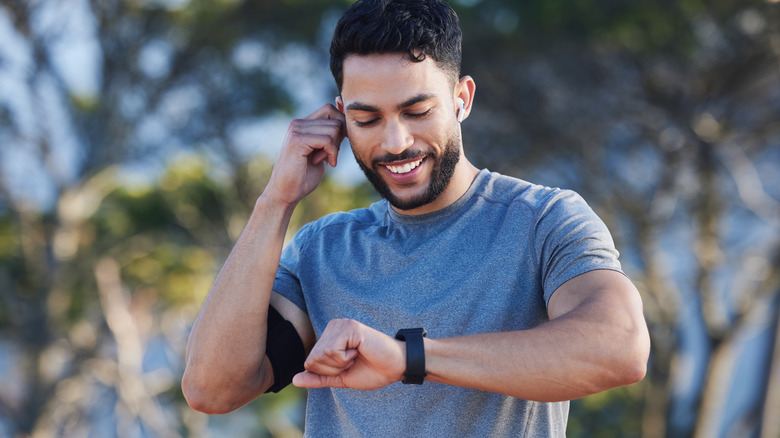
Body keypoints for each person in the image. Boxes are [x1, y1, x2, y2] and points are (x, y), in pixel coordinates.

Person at [181, 0, 651, 436]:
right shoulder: (321, 249)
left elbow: (619, 348)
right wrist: (275, 202)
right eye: (367, 120)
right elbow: (212, 389)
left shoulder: (543, 221)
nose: (395, 142)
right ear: (341, 117)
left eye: (417, 110)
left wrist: (410, 358)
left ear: (462, 99)